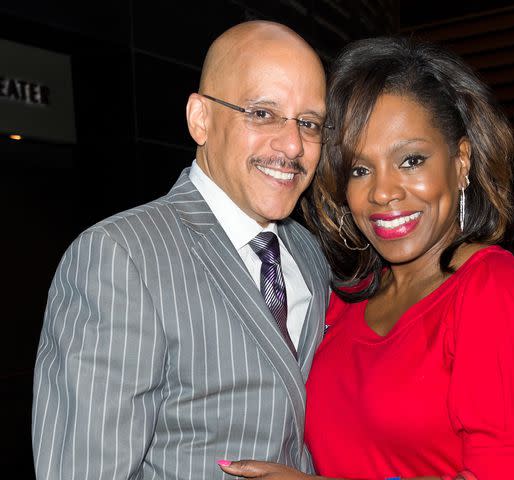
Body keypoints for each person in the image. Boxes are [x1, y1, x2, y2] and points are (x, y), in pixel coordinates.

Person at [218, 36, 514, 480]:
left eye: (411, 160)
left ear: (461, 162)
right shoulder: (347, 297)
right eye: (360, 170)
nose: (382, 192)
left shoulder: (494, 291)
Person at [32, 20, 332, 480]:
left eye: (308, 123)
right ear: (200, 119)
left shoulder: (310, 254)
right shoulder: (120, 257)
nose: (292, 145)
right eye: (262, 113)